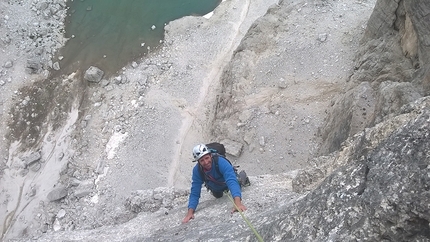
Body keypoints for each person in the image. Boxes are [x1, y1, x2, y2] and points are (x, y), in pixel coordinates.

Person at [182, 144, 247, 223]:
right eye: (202, 160)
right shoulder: (197, 171)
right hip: (215, 186)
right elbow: (195, 192)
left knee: (238, 183)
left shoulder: (221, 162)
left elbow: (231, 181)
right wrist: (190, 212)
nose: (206, 162)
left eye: (207, 158)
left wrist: (238, 203)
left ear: (210, 155)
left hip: (226, 181)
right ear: (198, 162)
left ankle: (243, 176)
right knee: (218, 196)